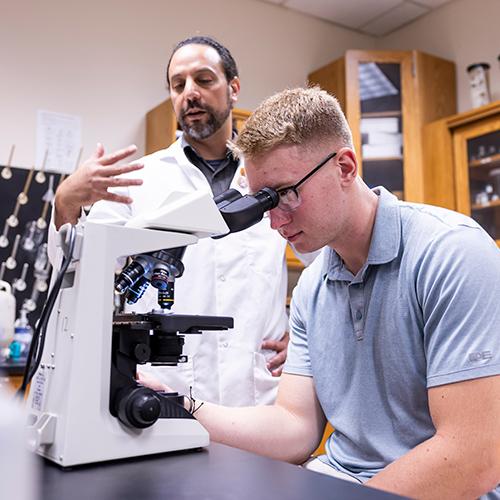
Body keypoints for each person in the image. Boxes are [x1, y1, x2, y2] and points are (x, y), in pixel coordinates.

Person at [154, 87, 500, 499]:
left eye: (284, 194)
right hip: (336, 482)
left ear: (345, 167)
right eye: (263, 204)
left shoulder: (451, 254)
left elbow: (471, 456)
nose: (274, 221)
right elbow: (294, 428)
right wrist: (178, 406)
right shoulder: (312, 289)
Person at [50, 36, 301, 406]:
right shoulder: (141, 178)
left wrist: (305, 333)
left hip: (259, 397)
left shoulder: (273, 178)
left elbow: (330, 258)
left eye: (203, 79)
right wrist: (65, 202)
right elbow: (80, 273)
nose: (190, 93)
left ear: (233, 88)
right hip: (166, 389)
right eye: (178, 84)